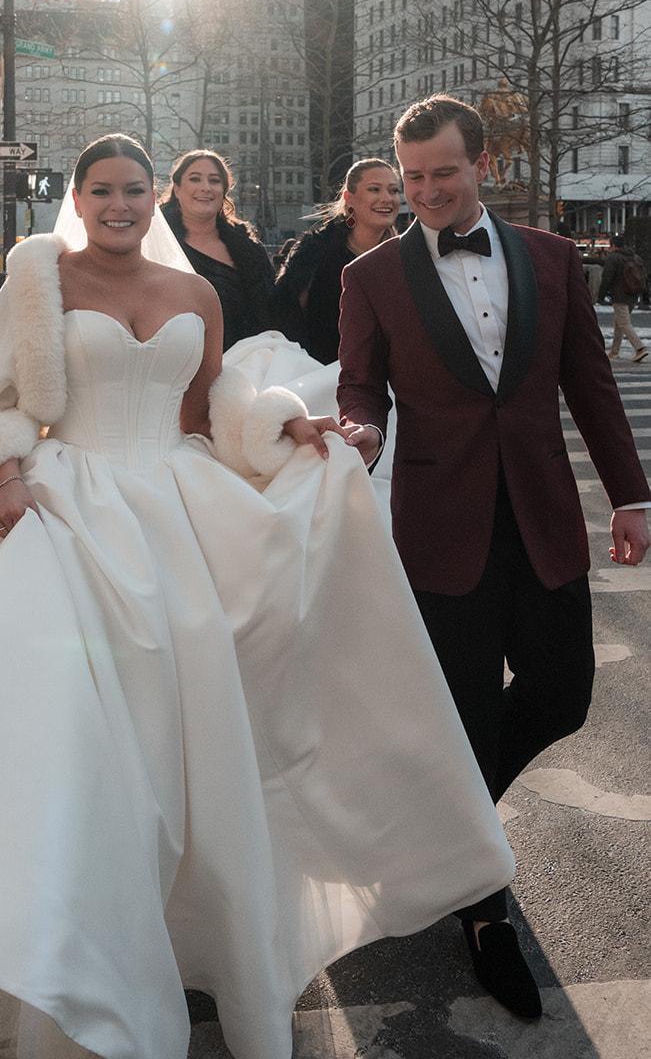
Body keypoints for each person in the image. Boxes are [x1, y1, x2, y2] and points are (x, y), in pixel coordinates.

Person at [0, 132, 513, 1059]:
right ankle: (86, 954)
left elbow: (208, 408)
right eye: (103, 190)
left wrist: (278, 426)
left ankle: (190, 929)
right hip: (67, 511)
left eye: (135, 191)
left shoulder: (194, 293)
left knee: (191, 732)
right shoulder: (38, 279)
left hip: (175, 508)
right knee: (85, 740)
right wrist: (3, 477)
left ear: (155, 199)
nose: (121, 205)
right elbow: (0, 405)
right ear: (77, 196)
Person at [337, 95, 650, 1022]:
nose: (425, 192)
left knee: (563, 692)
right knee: (468, 712)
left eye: (442, 173)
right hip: (440, 525)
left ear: (482, 168)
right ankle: (483, 913)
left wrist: (631, 495)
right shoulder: (371, 277)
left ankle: (439, 816)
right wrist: (361, 427)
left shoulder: (551, 258)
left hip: (545, 515)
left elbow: (589, 384)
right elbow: (361, 380)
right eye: (411, 177)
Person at [274, 158, 400, 364]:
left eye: (393, 190)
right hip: (324, 377)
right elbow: (286, 318)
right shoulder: (315, 252)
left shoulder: (405, 257)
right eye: (374, 189)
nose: (387, 198)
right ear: (349, 198)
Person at [159, 150, 275, 349]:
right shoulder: (159, 243)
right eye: (195, 179)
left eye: (214, 181)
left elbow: (273, 312)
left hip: (248, 359)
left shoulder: (250, 250)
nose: (206, 188)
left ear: (224, 190)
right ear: (177, 189)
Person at [598, 233, 648, 363]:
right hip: (633, 294)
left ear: (613, 245)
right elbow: (644, 277)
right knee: (619, 323)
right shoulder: (635, 257)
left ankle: (640, 348)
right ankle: (614, 351)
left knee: (624, 323)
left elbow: (607, 278)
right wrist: (645, 297)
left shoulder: (613, 258)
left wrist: (601, 296)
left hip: (619, 295)